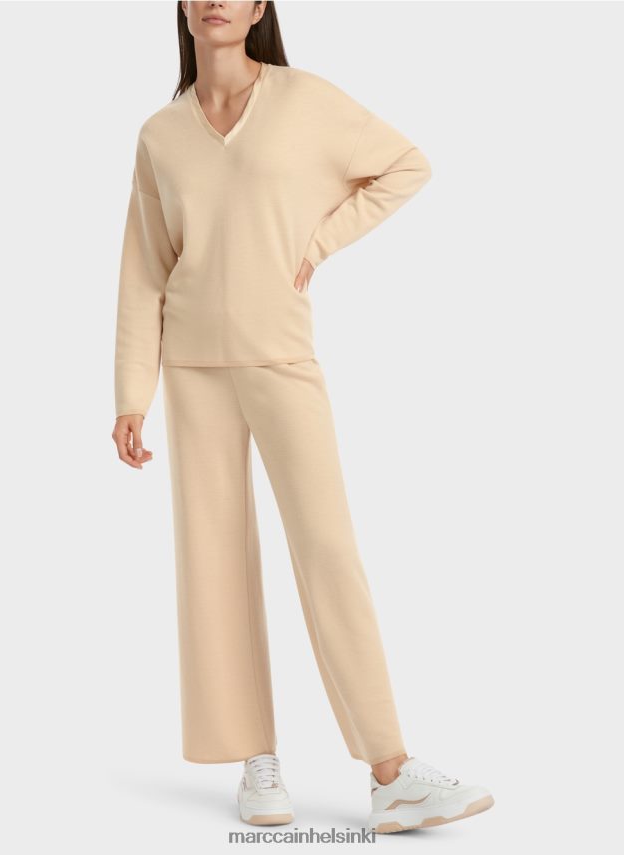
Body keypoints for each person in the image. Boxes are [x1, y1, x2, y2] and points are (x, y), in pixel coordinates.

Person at [111, 0, 494, 834]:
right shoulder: (160, 134)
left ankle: (390, 769)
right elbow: (143, 268)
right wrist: (130, 394)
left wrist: (314, 244)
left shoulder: (304, 100)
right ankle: (256, 759)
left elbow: (404, 166)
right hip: (191, 366)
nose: (215, 0)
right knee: (212, 558)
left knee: (327, 548)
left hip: (279, 352)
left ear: (258, 8)